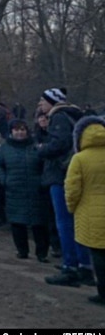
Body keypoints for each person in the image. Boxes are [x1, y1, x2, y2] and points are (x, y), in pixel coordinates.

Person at [36, 88, 92, 287]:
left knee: (64, 222)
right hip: (72, 173)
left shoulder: (58, 117)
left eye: (43, 101)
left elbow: (59, 144)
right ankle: (85, 265)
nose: (40, 105)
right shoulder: (74, 115)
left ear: (52, 101)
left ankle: (71, 266)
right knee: (76, 221)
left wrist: (41, 148)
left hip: (60, 174)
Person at [0, 119, 50, 263]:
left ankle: (42, 252)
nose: (20, 132)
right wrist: (4, 180)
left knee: (39, 223)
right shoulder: (5, 148)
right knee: (17, 222)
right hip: (14, 189)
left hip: (36, 189)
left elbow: (45, 164)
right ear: (11, 132)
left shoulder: (35, 147)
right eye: (16, 130)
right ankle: (22, 250)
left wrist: (42, 181)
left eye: (22, 129)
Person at [67, 115, 105, 305]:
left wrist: (72, 207)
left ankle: (103, 293)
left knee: (98, 255)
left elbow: (73, 189)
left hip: (90, 213)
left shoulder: (79, 158)